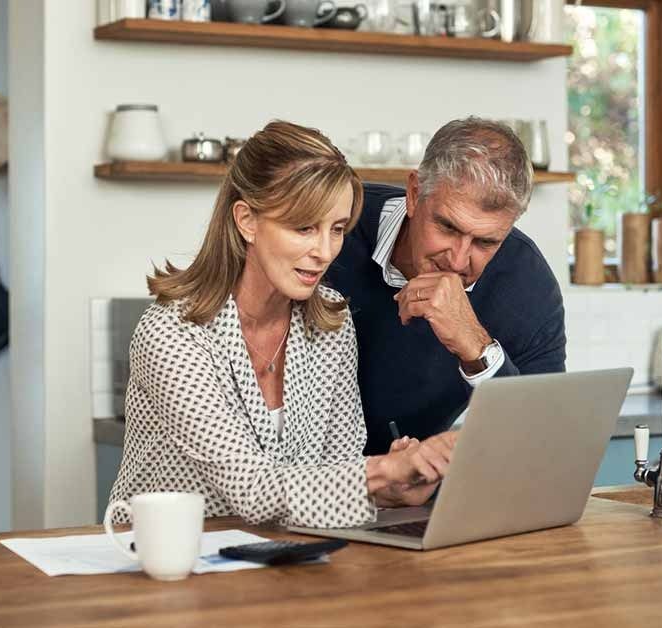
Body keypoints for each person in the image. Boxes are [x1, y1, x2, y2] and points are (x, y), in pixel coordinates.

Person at [108, 121, 456, 529]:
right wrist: (381, 472)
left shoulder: (331, 324)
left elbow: (336, 469)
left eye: (337, 229)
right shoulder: (172, 333)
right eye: (304, 227)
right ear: (247, 221)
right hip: (165, 553)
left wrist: (390, 491)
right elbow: (251, 489)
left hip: (282, 553)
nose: (325, 251)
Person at [326, 117, 566, 456]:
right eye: (448, 227)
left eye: (485, 242)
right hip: (304, 477)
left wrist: (477, 348)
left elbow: (543, 442)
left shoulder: (527, 283)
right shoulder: (334, 228)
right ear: (414, 193)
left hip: (415, 480)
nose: (458, 260)